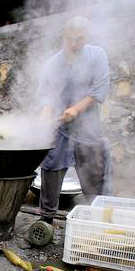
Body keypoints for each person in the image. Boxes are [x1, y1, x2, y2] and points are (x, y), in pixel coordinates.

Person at [36, 16, 111, 224]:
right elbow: (46, 94)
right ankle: (46, 219)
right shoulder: (53, 63)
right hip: (59, 127)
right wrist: (46, 112)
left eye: (79, 39)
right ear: (64, 36)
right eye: (71, 39)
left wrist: (76, 110)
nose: (75, 44)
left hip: (87, 125)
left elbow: (98, 91)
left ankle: (100, 218)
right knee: (51, 167)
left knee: (93, 171)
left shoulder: (97, 55)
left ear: (86, 37)